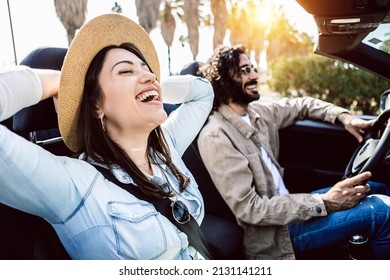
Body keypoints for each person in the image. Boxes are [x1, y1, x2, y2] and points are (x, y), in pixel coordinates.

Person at [0, 14, 214, 260]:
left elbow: (203, 92)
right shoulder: (75, 185)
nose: (150, 75)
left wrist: (150, 86)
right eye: (125, 71)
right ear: (96, 106)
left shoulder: (167, 148)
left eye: (147, 69)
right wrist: (64, 83)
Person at [196, 44, 390, 260]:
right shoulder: (216, 136)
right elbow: (250, 209)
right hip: (275, 236)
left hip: (292, 207)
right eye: (245, 70)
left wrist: (344, 117)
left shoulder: (257, 113)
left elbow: (301, 105)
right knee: (381, 214)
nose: (255, 75)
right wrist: (325, 201)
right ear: (224, 79)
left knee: (375, 187)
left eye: (253, 68)